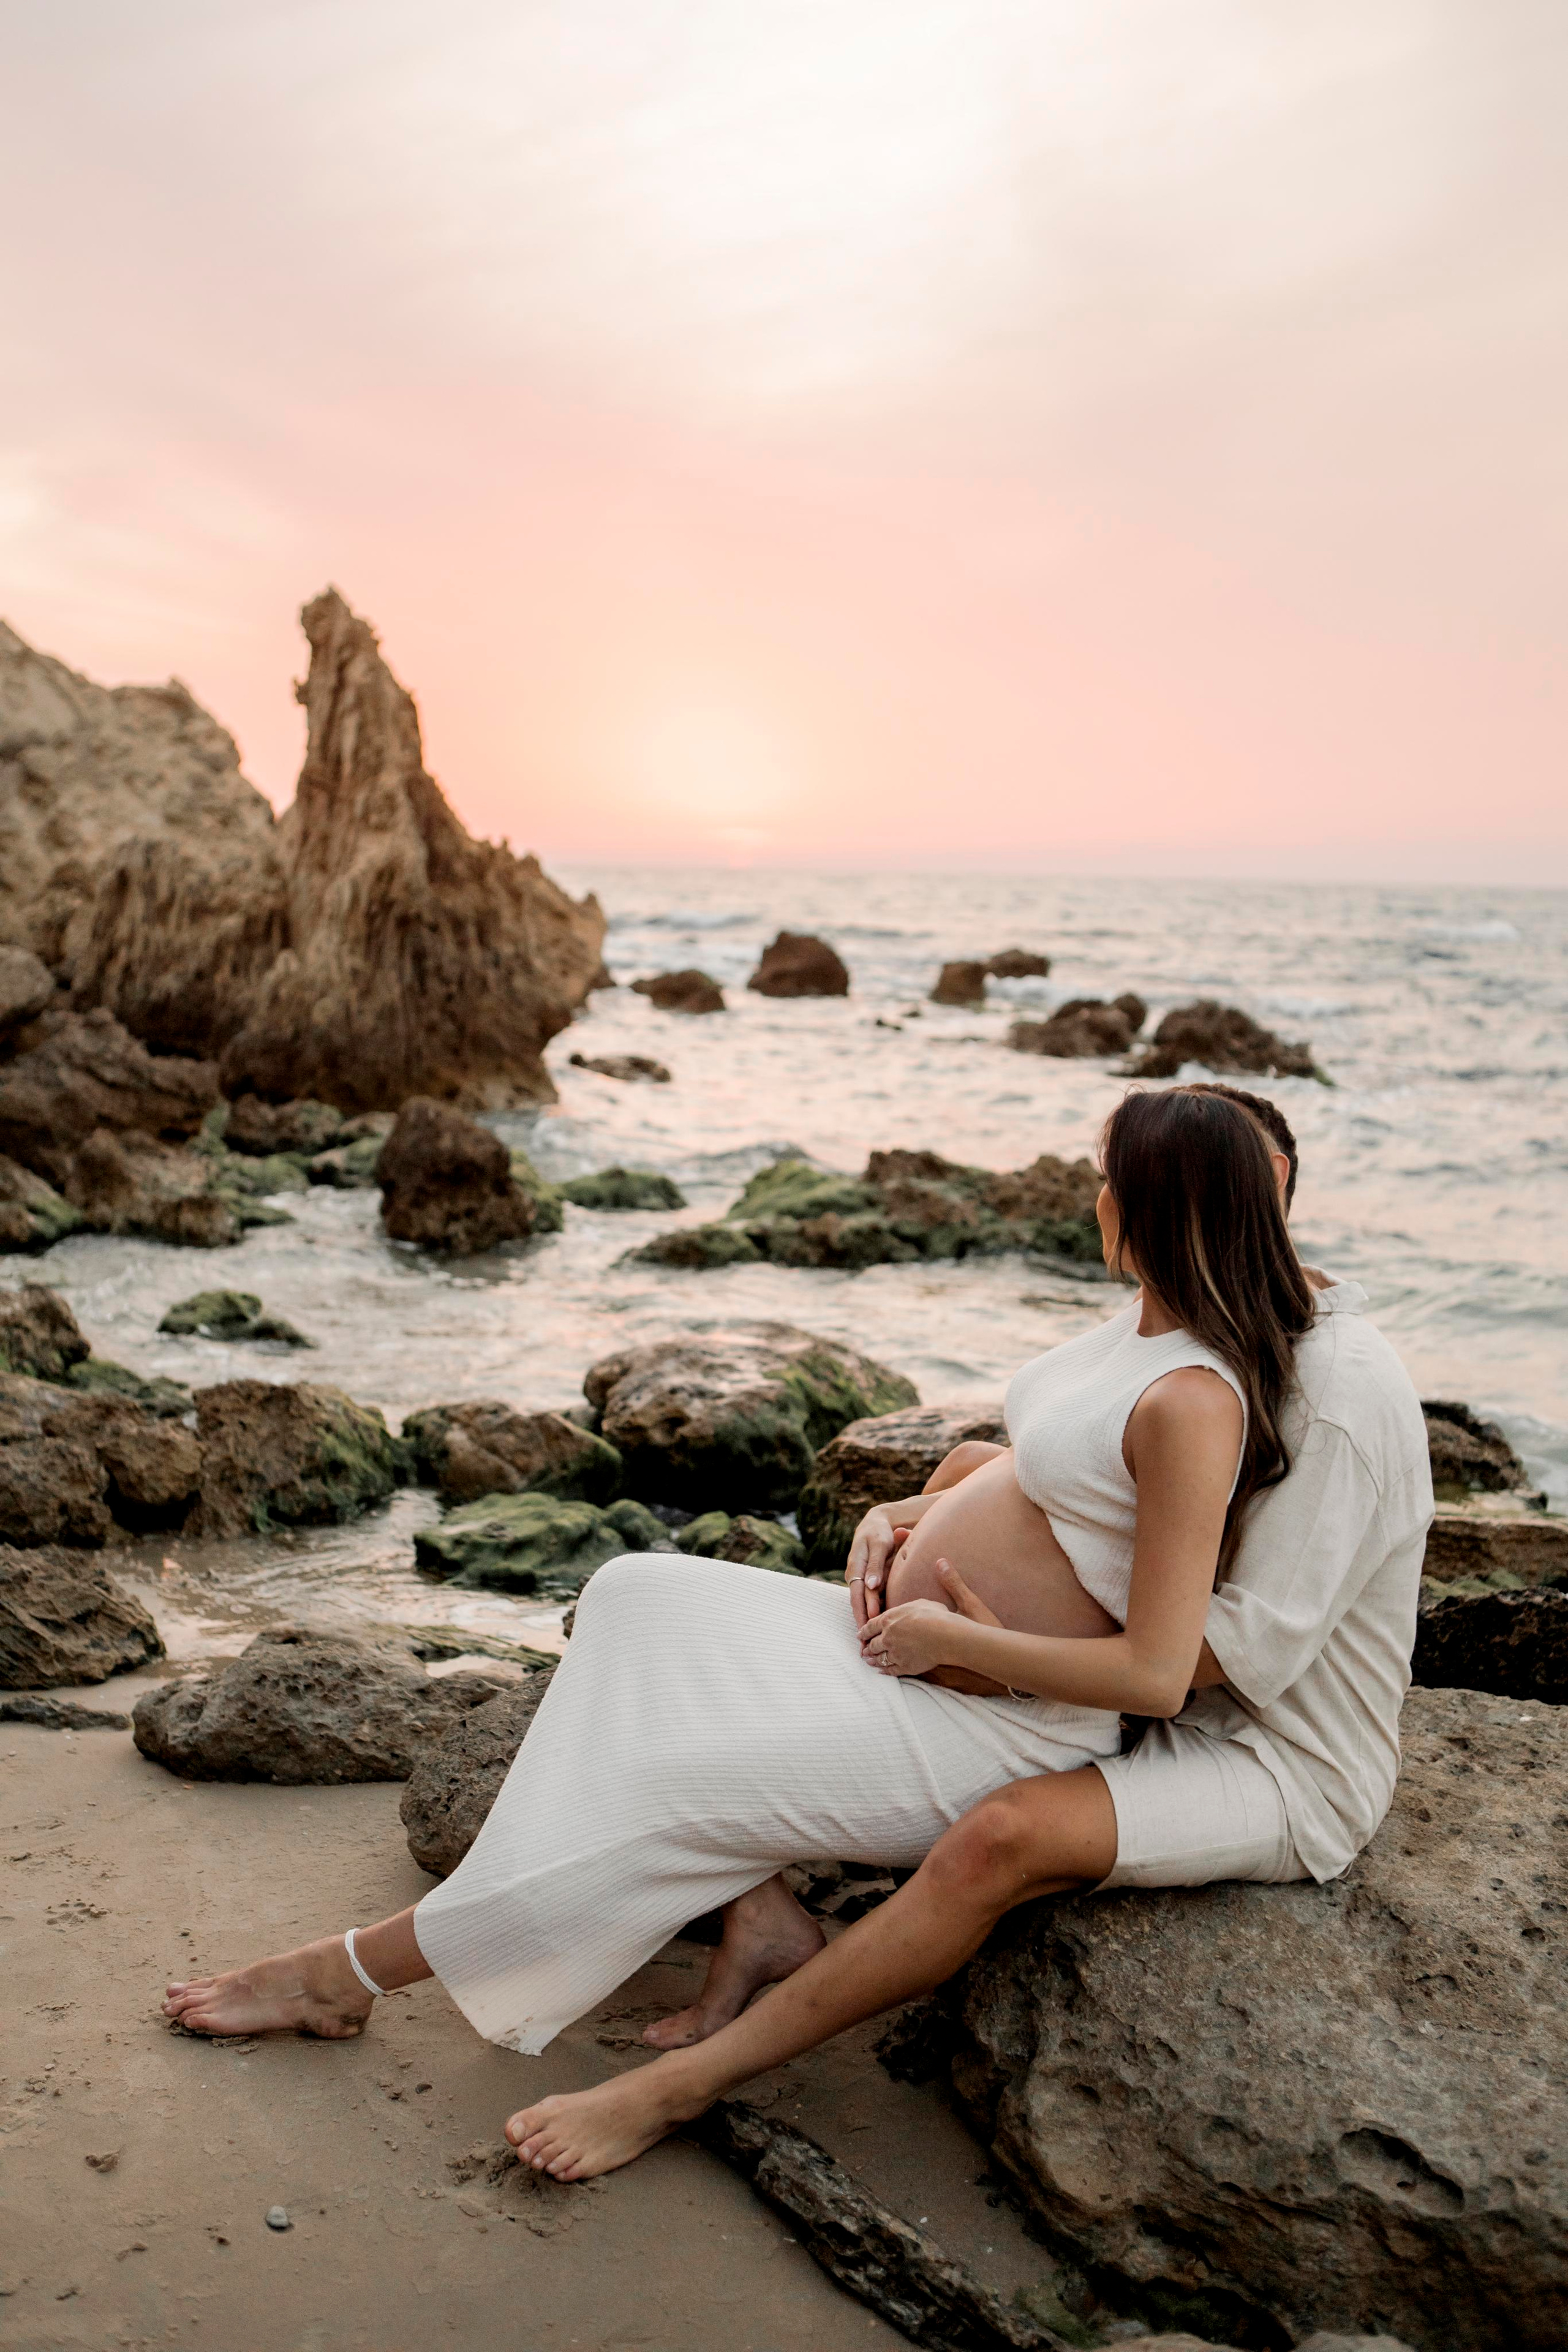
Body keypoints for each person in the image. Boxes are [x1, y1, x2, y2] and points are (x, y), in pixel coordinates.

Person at [164, 1084, 1433, 2188]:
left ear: (1167, 1202)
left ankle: (387, 1985)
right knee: (636, 1600)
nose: (1085, 1198)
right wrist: (917, 1505)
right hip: (991, 1663)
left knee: (716, 1789)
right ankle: (759, 1916)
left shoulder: (1325, 1398)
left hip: (1248, 1747)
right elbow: (1072, 1481)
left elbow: (1208, 1654)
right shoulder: (1179, 1319)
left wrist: (968, 1646)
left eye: (1105, 1180)